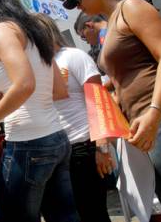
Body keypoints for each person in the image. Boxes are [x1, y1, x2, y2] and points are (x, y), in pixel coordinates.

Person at [63, 0, 161, 218]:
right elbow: (121, 83)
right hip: (145, 127)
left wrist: (155, 112)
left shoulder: (131, 7)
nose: (78, 7)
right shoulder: (111, 26)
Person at [0, 0, 79, 222]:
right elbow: (58, 90)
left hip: (28, 143)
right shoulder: (35, 31)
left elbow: (25, 84)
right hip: (56, 137)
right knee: (64, 216)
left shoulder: (2, 30)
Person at [36, 13, 112, 222]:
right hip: (56, 152)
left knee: (93, 213)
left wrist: (101, 148)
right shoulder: (38, 67)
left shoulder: (73, 56)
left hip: (83, 147)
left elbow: (98, 99)